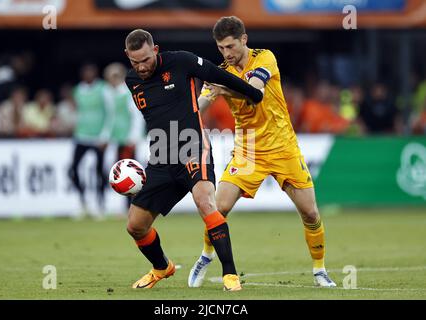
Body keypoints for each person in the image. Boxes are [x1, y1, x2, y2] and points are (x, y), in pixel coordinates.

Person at [188, 16, 336, 288]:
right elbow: (201, 103)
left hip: (283, 147)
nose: (227, 54)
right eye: (221, 48)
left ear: (244, 39)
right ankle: (206, 256)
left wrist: (224, 90)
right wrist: (185, 113)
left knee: (311, 214)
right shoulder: (221, 73)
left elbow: (254, 91)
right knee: (217, 208)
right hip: (248, 150)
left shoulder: (265, 58)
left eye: (230, 47)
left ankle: (319, 270)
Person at [123, 29, 263, 291]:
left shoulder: (182, 61)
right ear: (127, 57)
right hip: (161, 156)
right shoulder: (131, 80)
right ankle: (162, 267)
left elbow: (217, 75)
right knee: (135, 226)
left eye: (145, 59)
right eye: (135, 62)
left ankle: (230, 275)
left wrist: (253, 93)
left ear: (155, 49)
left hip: (192, 144)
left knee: (204, 201)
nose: (141, 67)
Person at [69, 63, 113, 218]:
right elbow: (78, 112)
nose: (88, 75)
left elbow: (110, 113)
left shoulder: (103, 89)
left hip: (98, 137)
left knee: (99, 171)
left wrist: (105, 136)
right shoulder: (77, 90)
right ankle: (83, 202)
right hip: (81, 136)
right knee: (73, 169)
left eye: (91, 72)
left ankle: (101, 205)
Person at [103, 62, 144, 209]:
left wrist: (134, 137)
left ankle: (132, 206)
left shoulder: (127, 93)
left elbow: (136, 116)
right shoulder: (110, 94)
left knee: (129, 172)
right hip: (117, 138)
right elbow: (110, 118)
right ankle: (128, 205)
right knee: (121, 172)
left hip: (127, 139)